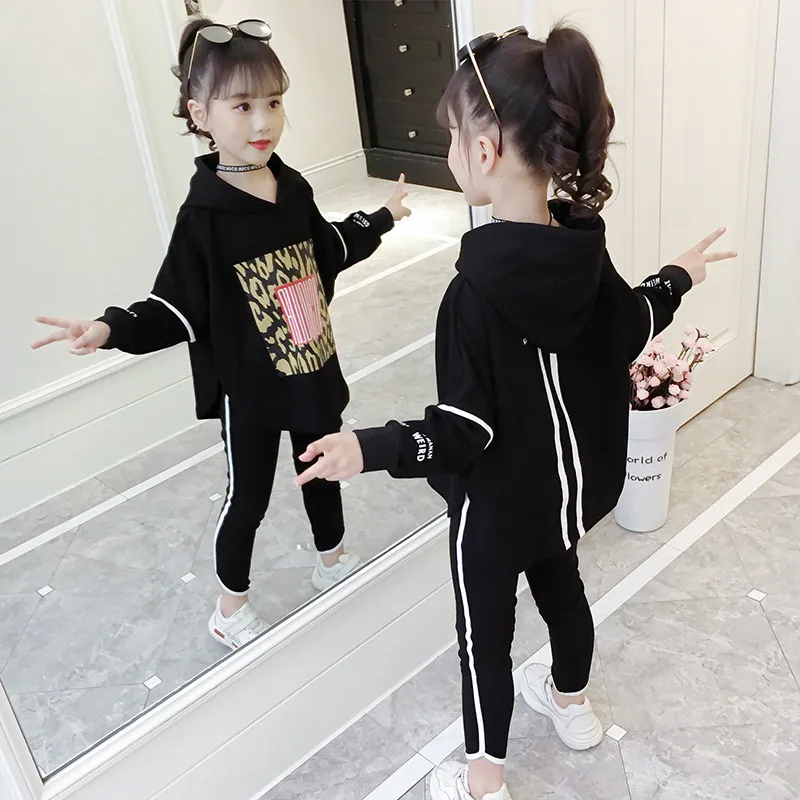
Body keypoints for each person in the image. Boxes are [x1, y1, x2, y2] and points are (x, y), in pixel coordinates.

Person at [294, 24, 735, 800]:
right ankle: (571, 705)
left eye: (453, 136)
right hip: (562, 494)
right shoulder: (581, 251)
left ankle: (483, 780)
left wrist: (370, 448)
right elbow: (629, 324)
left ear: (486, 148)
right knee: (565, 596)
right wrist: (678, 276)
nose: (451, 150)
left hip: (496, 510)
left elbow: (463, 432)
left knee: (485, 638)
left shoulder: (471, 296)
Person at [31, 16, 411, 651]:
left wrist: (382, 217)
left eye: (274, 102)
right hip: (249, 388)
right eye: (241, 106)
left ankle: (333, 561)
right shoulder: (204, 217)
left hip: (311, 369)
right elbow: (173, 305)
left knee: (322, 470)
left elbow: (328, 249)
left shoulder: (292, 187)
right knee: (249, 498)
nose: (263, 122)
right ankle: (229, 608)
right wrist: (109, 327)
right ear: (199, 113)